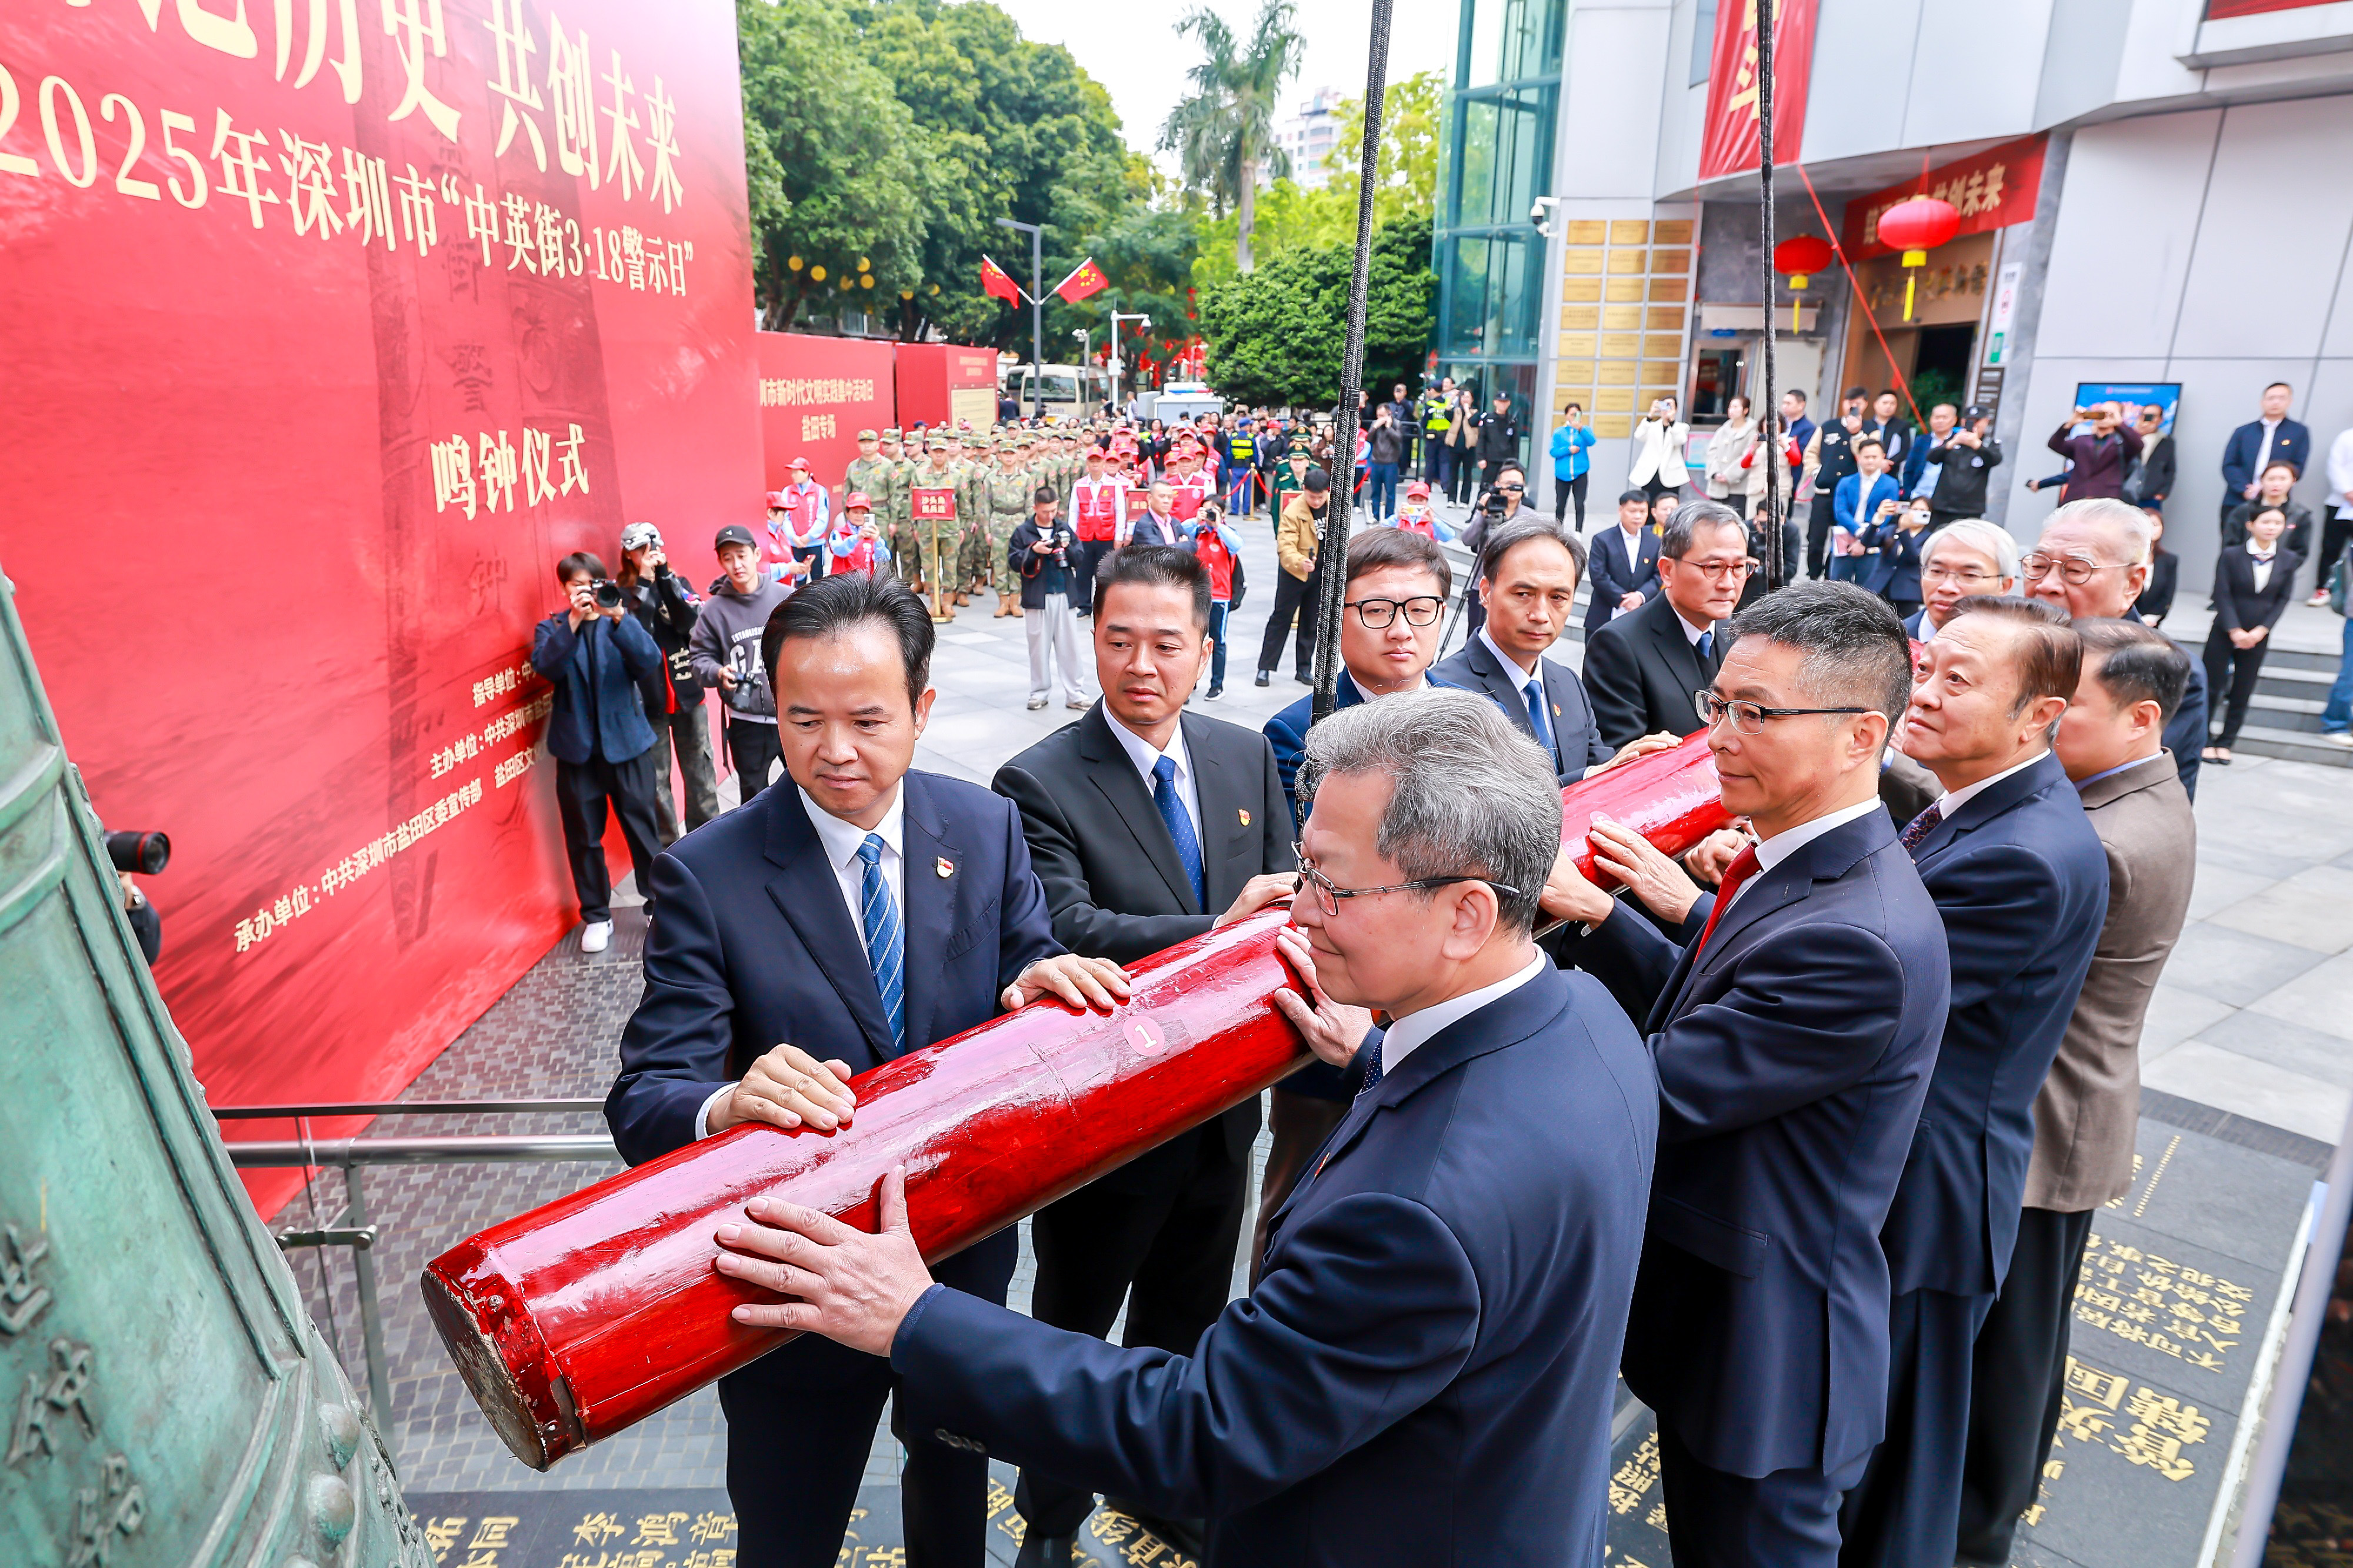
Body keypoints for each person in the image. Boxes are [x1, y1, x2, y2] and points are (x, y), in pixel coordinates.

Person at [717, 688, 1657, 1568]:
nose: (1299, 912)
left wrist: (913, 1317)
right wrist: (1369, 1056)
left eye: (1334, 886)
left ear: (1467, 912)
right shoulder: (1593, 1023)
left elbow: (1200, 1429)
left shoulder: (1412, 1215)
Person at [608, 573, 1114, 1568]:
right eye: (803, 719)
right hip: (795, 1295)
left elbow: (1018, 959)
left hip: (955, 1276)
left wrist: (1039, 976)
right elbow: (645, 1093)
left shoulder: (982, 827)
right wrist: (726, 1101)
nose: (834, 750)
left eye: (867, 719)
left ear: (923, 711)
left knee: (953, 1513)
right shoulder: (708, 873)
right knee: (788, 1535)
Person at [1547, 581, 1949, 1568]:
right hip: (1716, 1323)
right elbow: (1718, 996)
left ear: (1862, 734)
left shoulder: (1864, 939)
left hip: (1768, 1358)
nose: (1718, 735)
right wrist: (1610, 922)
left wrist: (1445, 1013)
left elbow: (1656, 1090)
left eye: (1755, 714)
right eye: (1716, 704)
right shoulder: (1800, 859)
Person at [986, 544, 1297, 1562]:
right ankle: (1051, 1518)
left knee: (1186, 1329)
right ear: (1092, 639)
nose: (1142, 663)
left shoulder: (1243, 755)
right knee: (1072, 1339)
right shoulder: (1036, 780)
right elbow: (1069, 924)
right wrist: (1220, 929)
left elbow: (1288, 896)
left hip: (1222, 1115)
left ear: (1204, 649)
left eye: (1167, 642)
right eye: (1119, 640)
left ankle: (1168, 1492)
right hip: (1105, 1129)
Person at [1837, 596, 2108, 1568]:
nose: (1929, 692)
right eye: (1930, 665)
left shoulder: (2023, 857)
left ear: (2038, 716)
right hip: (1928, 1169)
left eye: (1962, 679)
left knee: (1883, 1461)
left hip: (1926, 1189)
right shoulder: (1986, 806)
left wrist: (1688, 904)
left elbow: (1863, 991)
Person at [1956, 618, 2195, 1566]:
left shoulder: (2096, 841)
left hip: (2044, 1126)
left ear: (2140, 717)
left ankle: (1976, 1534)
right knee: (2028, 1340)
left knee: (2008, 1355)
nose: (2044, 726)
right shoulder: (2146, 794)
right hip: (2077, 1110)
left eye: (2067, 711)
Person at [2023, 498, 2208, 798]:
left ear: (2132, 584)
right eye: (2039, 566)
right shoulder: (2014, 642)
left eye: (2076, 570)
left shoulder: (2162, 668)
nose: (2046, 585)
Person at [531, 552, 669, 955]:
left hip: (627, 746)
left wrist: (619, 618)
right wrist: (573, 621)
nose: (585, 592)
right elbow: (547, 667)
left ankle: (658, 907)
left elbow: (647, 661)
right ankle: (596, 915)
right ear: (564, 590)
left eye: (591, 584)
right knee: (583, 838)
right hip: (577, 754)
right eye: (576, 585)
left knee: (643, 830)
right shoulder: (553, 627)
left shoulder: (618, 621)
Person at [1584, 502, 1748, 748]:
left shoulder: (1738, 636)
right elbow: (1621, 760)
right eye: (1713, 567)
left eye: (1739, 567)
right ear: (1668, 571)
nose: (1728, 583)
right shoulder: (1618, 645)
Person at [617, 522, 719, 842]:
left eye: (651, 548)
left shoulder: (678, 582)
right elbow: (635, 633)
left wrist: (664, 579)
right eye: (638, 550)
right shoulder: (621, 594)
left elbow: (689, 622)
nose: (646, 555)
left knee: (700, 772)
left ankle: (708, 841)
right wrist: (645, 584)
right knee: (657, 781)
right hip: (648, 703)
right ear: (628, 554)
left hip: (689, 693)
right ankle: (669, 850)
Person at [688, 524, 792, 808]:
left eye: (742, 555)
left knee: (808, 789)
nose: (737, 564)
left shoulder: (786, 597)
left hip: (793, 715)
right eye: (728, 558)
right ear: (721, 562)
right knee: (753, 796)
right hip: (747, 722)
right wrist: (718, 672)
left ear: (756, 554)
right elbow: (698, 659)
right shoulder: (713, 610)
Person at [2201, 504, 2302, 765]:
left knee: (2243, 689)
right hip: (2225, 629)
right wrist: (2234, 629)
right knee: (2212, 686)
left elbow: (2283, 599)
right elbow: (2222, 593)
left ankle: (2226, 742)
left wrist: (2261, 631)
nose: (2271, 528)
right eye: (2266, 522)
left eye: (2277, 523)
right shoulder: (2232, 555)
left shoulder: (2288, 559)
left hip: (2259, 633)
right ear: (2251, 525)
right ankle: (2205, 740)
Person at [1009, 485, 1088, 713]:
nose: (1050, 516)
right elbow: (1014, 562)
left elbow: (1079, 558)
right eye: (1045, 511)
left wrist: (1065, 548)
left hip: (1065, 594)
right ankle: (1039, 693)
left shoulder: (1064, 529)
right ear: (1035, 508)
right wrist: (1034, 550)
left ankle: (1076, 693)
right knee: (1038, 648)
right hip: (1037, 597)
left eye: (1054, 510)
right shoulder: (1023, 532)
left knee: (1070, 647)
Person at [1257, 466, 1330, 688]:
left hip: (1321, 572)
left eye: (1320, 497)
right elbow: (1285, 543)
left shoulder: (1334, 508)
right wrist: (1299, 561)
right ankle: (1265, 668)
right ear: (1304, 490)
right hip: (1295, 572)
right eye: (1311, 497)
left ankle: (1304, 668)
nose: (1316, 502)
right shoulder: (1293, 510)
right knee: (1281, 618)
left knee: (1311, 621)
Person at [2220, 381, 2313, 526]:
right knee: (2233, 545)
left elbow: (2298, 466)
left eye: (2282, 398)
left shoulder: (2299, 432)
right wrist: (2245, 488)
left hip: (2277, 503)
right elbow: (2230, 464)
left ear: (2290, 401)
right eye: (2271, 398)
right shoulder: (2243, 432)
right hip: (2238, 500)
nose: (2276, 402)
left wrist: (2270, 487)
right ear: (2262, 402)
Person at [1911, 519, 2019, 640]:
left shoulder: (2017, 652)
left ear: (2004, 586)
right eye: (1937, 571)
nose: (1947, 588)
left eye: (1970, 575)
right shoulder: (1891, 642)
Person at [1804, 389, 1869, 578]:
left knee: (1842, 536)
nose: (1853, 405)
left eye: (1858, 402)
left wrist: (1856, 433)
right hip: (1824, 491)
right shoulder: (1828, 426)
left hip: (1851, 495)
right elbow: (1811, 453)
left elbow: (1865, 456)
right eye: (1850, 401)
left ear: (1865, 405)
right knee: (1815, 537)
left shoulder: (1869, 428)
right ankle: (1813, 574)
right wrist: (1817, 472)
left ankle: (1832, 575)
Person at [1586, 487, 1664, 635]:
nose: (1638, 516)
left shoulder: (1655, 542)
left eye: (1642, 512)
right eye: (1633, 511)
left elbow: (1659, 575)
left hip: (1641, 614)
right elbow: (1598, 574)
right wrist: (1623, 599)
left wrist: (1640, 596)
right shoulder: (1603, 539)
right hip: (1605, 611)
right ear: (1621, 510)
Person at [1921, 406, 2002, 533]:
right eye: (1969, 421)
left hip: (1970, 508)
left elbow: (1995, 460)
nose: (1973, 424)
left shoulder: (1989, 443)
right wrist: (1951, 443)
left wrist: (1977, 445)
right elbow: (1932, 457)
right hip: (1943, 505)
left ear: (1986, 421)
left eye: (1977, 421)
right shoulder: (1953, 439)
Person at [1832, 439, 1901, 584]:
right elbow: (1840, 511)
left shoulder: (1891, 484)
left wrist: (1865, 540)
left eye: (1874, 457)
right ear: (1859, 458)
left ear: (1883, 457)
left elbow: (1887, 516)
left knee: (1867, 587)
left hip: (1873, 540)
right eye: (1866, 457)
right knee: (1837, 585)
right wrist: (1859, 532)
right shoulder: (1845, 482)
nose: (1870, 461)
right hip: (1845, 538)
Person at [2045, 402, 2142, 502]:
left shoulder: (2122, 443)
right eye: (2101, 413)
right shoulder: (2082, 441)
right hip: (2076, 497)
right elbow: (2055, 445)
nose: (2104, 417)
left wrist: (2119, 424)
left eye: (2110, 414)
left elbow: (2138, 445)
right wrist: (2070, 424)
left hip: (2107, 498)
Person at [2222, 459, 2316, 559]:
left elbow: (2300, 552)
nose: (2276, 484)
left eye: (2283, 479)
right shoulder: (2243, 511)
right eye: (2271, 479)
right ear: (2262, 481)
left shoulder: (2300, 515)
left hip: (2282, 572)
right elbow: (2230, 546)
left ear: (2293, 481)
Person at [1861, 495, 1931, 619]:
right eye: (1914, 509)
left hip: (1907, 593)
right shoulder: (1891, 530)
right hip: (1879, 587)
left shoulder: (1929, 537)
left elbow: (1914, 558)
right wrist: (1879, 518)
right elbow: (1867, 542)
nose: (1918, 514)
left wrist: (1904, 531)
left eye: (1923, 511)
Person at [772, 457, 833, 580]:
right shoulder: (787, 491)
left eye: (796, 472)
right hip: (795, 544)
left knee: (818, 578)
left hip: (815, 543)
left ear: (806, 473)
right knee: (798, 579)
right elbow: (785, 518)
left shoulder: (819, 491)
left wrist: (809, 537)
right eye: (792, 472)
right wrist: (793, 537)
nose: (793, 475)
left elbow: (823, 517)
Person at [1630, 395, 1691, 501]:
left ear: (1676, 409)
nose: (1666, 410)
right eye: (1664, 406)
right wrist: (1650, 415)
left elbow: (1680, 440)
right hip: (1651, 472)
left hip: (1670, 474)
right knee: (1649, 502)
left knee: (1668, 504)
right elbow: (1639, 436)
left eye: (1670, 406)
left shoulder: (1681, 427)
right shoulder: (1652, 426)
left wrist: (1671, 422)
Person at [2119, 405, 2174, 516]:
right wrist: (2137, 434)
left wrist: (2163, 493)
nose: (2149, 419)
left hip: (2151, 495)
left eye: (2153, 416)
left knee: (2149, 528)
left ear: (2161, 420)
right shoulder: (2129, 437)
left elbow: (2170, 469)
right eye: (2146, 415)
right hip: (2125, 492)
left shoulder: (2167, 441)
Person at [1551, 402, 1598, 528]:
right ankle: (1558, 529)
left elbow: (1592, 441)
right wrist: (1568, 450)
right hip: (1562, 474)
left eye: (1577, 414)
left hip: (1580, 473)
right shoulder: (1559, 432)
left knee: (1579, 503)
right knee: (1560, 503)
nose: (1574, 417)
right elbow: (1553, 451)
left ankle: (1578, 531)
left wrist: (1581, 429)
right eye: (1572, 414)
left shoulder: (1585, 430)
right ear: (1566, 415)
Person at [2322, 422, 2353, 606]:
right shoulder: (2346, 437)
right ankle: (2323, 588)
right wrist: (2347, 491)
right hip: (2340, 502)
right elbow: (2334, 465)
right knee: (2331, 548)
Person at [1703, 396, 1756, 503]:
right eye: (1730, 407)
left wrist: (1729, 475)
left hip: (1738, 487)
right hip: (1717, 486)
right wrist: (1715, 473)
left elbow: (1748, 455)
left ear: (1746, 410)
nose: (1732, 410)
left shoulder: (1753, 431)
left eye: (1736, 407)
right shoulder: (1723, 429)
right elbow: (1712, 452)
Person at [2135, 507, 2178, 626]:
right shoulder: (2127, 557)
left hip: (2151, 625)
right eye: (2146, 525)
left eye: (2155, 525)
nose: (2151, 529)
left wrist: (2152, 618)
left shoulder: (2169, 560)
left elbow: (2168, 595)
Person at [1899, 403, 1954, 496]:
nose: (1940, 421)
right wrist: (1908, 492)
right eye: (1937, 417)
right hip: (1919, 494)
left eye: (1944, 417)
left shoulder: (1958, 442)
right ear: (1931, 420)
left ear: (1954, 420)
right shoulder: (1921, 441)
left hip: (1946, 498)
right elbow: (1909, 468)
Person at [1364, 402, 1406, 521]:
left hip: (1390, 462)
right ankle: (1375, 515)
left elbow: (1398, 439)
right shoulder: (1375, 424)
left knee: (1390, 492)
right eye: (1379, 416)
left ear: (1389, 414)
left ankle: (1390, 517)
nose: (1380, 418)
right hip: (1376, 461)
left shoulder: (1397, 424)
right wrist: (1375, 427)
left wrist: (1388, 428)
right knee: (1375, 491)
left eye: (1383, 415)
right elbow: (1369, 439)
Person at [1475, 389, 1522, 493]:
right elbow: (1481, 439)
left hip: (1506, 461)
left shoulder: (1512, 421)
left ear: (1509, 403)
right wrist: (1480, 458)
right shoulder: (1488, 419)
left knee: (1504, 488)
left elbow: (1515, 443)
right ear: (1495, 402)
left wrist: (1515, 461)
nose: (1503, 404)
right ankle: (1481, 508)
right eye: (1500, 401)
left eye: (1505, 402)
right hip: (1490, 460)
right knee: (1486, 487)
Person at [1445, 387, 1481, 505]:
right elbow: (1447, 413)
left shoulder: (1476, 412)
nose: (1464, 399)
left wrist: (1468, 411)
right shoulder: (1457, 411)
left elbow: (1473, 422)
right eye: (1463, 397)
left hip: (1469, 447)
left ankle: (1464, 500)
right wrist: (1451, 398)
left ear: (1472, 399)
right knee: (1453, 473)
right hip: (1454, 446)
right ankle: (1451, 499)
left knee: (1467, 474)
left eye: (1467, 397)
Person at [1862, 390, 1911, 469]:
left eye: (1892, 404)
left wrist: (1888, 464)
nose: (1888, 406)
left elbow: (1905, 450)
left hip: (1891, 469)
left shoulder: (1903, 426)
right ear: (1875, 405)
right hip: (1867, 468)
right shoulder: (1865, 425)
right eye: (1885, 403)